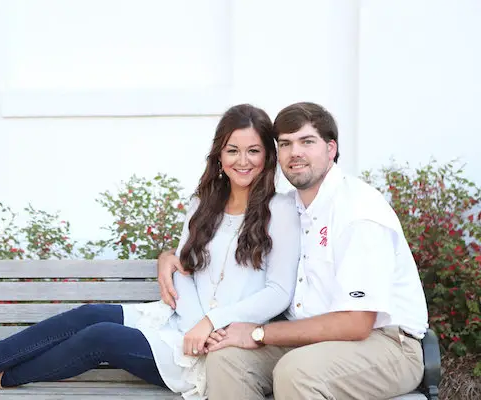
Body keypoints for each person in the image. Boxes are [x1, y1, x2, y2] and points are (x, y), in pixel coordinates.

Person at [0, 104, 301, 399]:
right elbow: (184, 271)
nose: (242, 161)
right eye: (233, 150)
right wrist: (193, 320)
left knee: (101, 337)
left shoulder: (280, 211)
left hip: (213, 348)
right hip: (183, 325)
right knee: (91, 314)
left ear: (267, 156)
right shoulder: (203, 204)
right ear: (219, 154)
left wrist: (210, 324)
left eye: (253, 151)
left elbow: (278, 292)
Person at [157, 102, 429, 400]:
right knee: (227, 360)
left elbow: (357, 322)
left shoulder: (357, 211)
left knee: (296, 371)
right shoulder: (294, 207)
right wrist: (170, 256)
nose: (295, 152)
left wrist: (259, 333)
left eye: (307, 141)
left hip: (386, 344)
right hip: (312, 340)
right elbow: (225, 236)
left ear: (331, 148)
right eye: (285, 143)